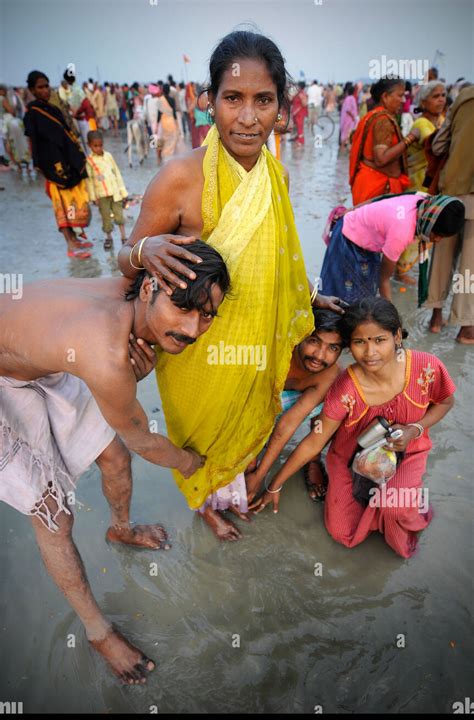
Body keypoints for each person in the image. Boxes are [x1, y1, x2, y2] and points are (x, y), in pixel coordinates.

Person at [117, 30, 343, 541]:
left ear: (281, 108)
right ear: (208, 102)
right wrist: (142, 252)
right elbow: (125, 270)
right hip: (194, 350)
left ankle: (234, 489)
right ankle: (205, 503)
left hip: (255, 342)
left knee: (247, 425)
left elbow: (281, 258)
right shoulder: (179, 176)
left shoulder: (277, 177)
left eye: (263, 100)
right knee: (200, 438)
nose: (248, 117)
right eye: (233, 99)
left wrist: (308, 297)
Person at [0, 241, 230, 683]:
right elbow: (144, 440)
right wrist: (192, 462)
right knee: (52, 514)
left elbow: (130, 259)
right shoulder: (106, 355)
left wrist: (141, 250)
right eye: (183, 307)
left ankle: (120, 529)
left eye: (207, 314)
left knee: (113, 455)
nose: (193, 327)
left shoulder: (131, 284)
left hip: (37, 355)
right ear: (149, 290)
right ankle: (97, 632)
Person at [253, 298, 456, 560]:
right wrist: (274, 485)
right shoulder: (345, 387)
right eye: (360, 342)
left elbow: (446, 402)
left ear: (396, 336)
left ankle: (403, 500)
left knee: (396, 510)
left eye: (379, 340)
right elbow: (315, 441)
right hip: (351, 460)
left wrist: (415, 429)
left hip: (407, 454)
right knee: (342, 533)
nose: (370, 352)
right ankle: (379, 500)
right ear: (350, 346)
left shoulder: (426, 368)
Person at [246, 308, 345, 504]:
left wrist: (261, 477)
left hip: (292, 407)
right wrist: (251, 460)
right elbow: (249, 407)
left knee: (336, 398)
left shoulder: (330, 373)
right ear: (300, 336)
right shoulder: (277, 352)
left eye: (332, 348)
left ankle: (313, 460)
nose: (320, 355)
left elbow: (288, 424)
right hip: (256, 406)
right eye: (314, 341)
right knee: (245, 462)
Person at [319, 193, 465, 302]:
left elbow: (383, 197)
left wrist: (354, 209)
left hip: (365, 236)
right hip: (348, 239)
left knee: (364, 294)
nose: (438, 240)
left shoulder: (422, 200)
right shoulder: (401, 232)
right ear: (430, 223)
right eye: (437, 234)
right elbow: (384, 279)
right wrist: (391, 319)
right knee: (340, 297)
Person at [23, 70, 93, 259]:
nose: (45, 90)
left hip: (66, 163)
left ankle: (75, 238)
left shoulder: (52, 109)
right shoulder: (32, 114)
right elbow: (34, 142)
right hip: (52, 167)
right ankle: (70, 245)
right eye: (40, 87)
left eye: (47, 86)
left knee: (71, 202)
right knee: (60, 205)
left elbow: (65, 135)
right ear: (31, 90)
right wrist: (41, 166)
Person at [426, 84, 474, 344]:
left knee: (442, 255)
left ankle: (436, 317)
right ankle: (466, 328)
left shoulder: (464, 96)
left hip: (451, 190)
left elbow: (438, 145)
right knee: (470, 266)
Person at [396, 81, 447, 282]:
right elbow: (436, 147)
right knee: (414, 228)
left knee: (428, 228)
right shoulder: (421, 124)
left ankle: (410, 267)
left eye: (443, 95)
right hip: (417, 186)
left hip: (433, 186)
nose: (441, 99)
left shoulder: (442, 121)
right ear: (423, 102)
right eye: (436, 96)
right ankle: (400, 270)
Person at [349, 78, 420, 205]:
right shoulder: (383, 120)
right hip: (378, 187)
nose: (403, 100)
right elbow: (381, 158)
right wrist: (410, 138)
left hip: (370, 183)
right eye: (400, 95)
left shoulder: (373, 115)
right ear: (385, 96)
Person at [86, 130, 128, 249]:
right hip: (102, 195)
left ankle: (123, 236)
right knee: (105, 218)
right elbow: (89, 180)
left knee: (119, 215)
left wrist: (123, 191)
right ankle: (108, 238)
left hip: (115, 192)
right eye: (95, 146)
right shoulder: (89, 161)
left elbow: (116, 173)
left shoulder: (108, 156)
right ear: (89, 145)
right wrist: (93, 197)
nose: (98, 148)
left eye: (100, 145)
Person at [156, 83, 178, 161]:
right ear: (169, 91)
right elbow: (174, 113)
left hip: (164, 122)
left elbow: (159, 114)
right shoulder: (172, 100)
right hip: (171, 121)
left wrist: (157, 125)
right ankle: (170, 157)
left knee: (163, 140)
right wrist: (176, 123)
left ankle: (164, 157)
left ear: (163, 90)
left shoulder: (160, 100)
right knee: (172, 140)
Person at [339, 84, 359, 150]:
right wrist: (353, 116)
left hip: (348, 119)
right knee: (346, 133)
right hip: (348, 119)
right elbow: (348, 109)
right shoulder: (351, 98)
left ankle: (344, 148)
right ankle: (342, 147)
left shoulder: (348, 98)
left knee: (347, 133)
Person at [290, 81, 308, 145]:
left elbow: (305, 104)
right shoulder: (298, 93)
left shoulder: (302, 94)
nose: (296, 87)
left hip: (299, 113)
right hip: (295, 113)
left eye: (297, 86)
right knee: (297, 127)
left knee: (300, 127)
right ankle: (297, 138)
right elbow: (292, 101)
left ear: (300, 87)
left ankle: (301, 141)